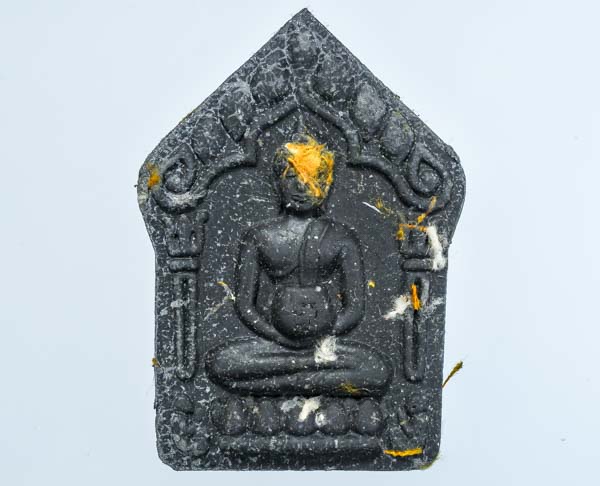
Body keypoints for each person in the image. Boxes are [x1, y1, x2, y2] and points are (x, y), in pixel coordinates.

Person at [206, 136, 391, 397]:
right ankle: (312, 382)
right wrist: (277, 336)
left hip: (323, 348)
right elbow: (245, 306)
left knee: (377, 369)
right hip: (275, 346)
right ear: (278, 182)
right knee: (221, 362)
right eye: (292, 177)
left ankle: (272, 386)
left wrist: (323, 337)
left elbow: (354, 309)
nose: (302, 186)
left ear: (326, 184)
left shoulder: (341, 237)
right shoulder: (260, 237)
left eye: (312, 178)